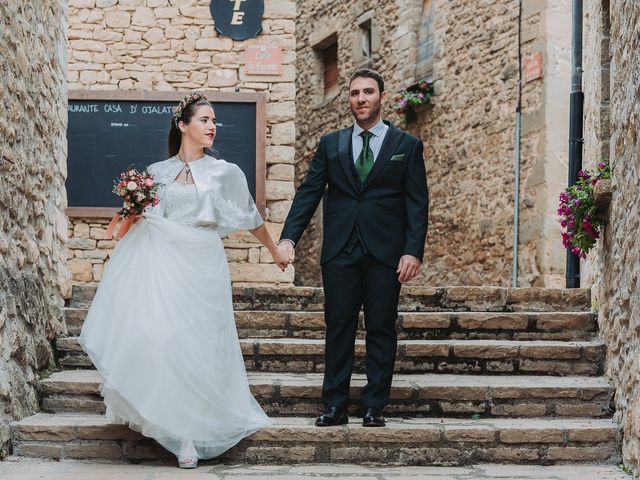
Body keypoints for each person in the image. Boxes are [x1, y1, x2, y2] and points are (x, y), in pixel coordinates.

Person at [79, 91, 288, 468]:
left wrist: (274, 251)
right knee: (162, 338)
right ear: (183, 125)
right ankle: (178, 431)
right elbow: (136, 220)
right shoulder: (156, 172)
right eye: (205, 120)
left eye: (214, 121)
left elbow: (251, 217)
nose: (212, 126)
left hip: (203, 262)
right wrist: (134, 213)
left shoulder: (225, 172)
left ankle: (195, 427)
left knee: (199, 344)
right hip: (161, 262)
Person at [277, 69, 429, 428]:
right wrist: (288, 238)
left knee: (381, 327)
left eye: (368, 92)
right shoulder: (332, 143)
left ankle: (375, 405)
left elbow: (417, 203)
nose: (360, 99)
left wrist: (413, 251)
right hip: (340, 251)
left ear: (382, 97)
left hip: (386, 253)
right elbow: (309, 193)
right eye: (354, 93)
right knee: (338, 327)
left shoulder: (406, 146)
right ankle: (335, 405)